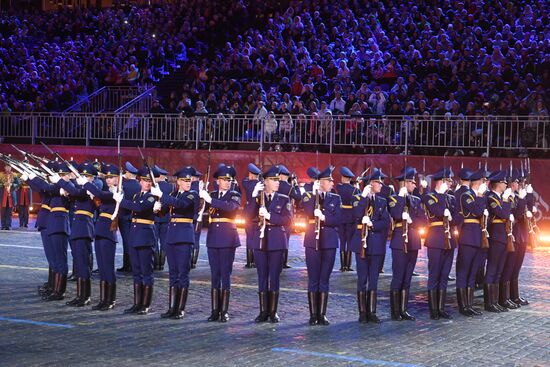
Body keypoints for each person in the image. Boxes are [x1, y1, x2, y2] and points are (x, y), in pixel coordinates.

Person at [245, 165, 292, 323]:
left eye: (278, 179)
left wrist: (270, 216)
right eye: (273, 179)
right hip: (260, 239)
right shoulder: (258, 198)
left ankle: (273, 311)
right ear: (265, 181)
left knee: (274, 277)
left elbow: (288, 220)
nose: (277, 182)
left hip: (277, 240)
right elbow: (247, 216)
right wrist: (252, 197)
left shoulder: (284, 199)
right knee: (262, 276)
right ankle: (263, 311)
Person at [152, 166, 199, 319]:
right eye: (185, 180)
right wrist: (158, 208)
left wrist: (162, 195)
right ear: (178, 181)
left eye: (189, 180)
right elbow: (164, 211)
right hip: (172, 235)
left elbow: (182, 205)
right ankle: (172, 307)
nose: (188, 183)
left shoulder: (192, 194)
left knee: (182, 273)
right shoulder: (173, 193)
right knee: (173, 273)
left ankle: (180, 309)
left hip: (184, 236)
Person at [113, 167, 159, 315]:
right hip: (134, 236)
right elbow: (129, 211)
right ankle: (137, 303)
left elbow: (139, 208)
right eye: (144, 180)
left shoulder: (152, 197)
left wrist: (122, 201)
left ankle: (145, 305)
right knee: (136, 272)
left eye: (149, 181)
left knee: (146, 272)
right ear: (139, 181)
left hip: (145, 237)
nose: (147, 183)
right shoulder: (136, 196)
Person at [199, 164, 241, 322]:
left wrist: (210, 200)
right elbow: (199, 209)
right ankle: (215, 310)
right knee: (215, 274)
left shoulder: (234, 194)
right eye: (223, 180)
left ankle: (224, 311)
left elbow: (230, 208)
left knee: (225, 274)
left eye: (229, 180)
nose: (227, 182)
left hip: (227, 238)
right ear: (217, 181)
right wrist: (201, 193)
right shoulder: (212, 193)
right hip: (213, 238)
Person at [301, 166, 342, 325]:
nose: (332, 183)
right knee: (313, 278)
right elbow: (308, 210)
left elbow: (337, 219)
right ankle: (313, 315)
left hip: (329, 240)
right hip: (312, 240)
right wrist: (314, 194)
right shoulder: (308, 196)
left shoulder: (335, 198)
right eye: (328, 180)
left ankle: (322, 314)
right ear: (320, 182)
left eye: (331, 180)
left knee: (325, 278)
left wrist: (324, 217)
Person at [350, 168, 390, 323]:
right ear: (371, 183)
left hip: (377, 243)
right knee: (362, 279)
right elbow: (356, 214)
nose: (381, 185)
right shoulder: (357, 198)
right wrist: (363, 196)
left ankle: (372, 311)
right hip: (361, 243)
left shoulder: (381, 201)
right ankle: (362, 312)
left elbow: (386, 222)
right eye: (378, 182)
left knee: (373, 278)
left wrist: (373, 224)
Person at [388, 166, 426, 321]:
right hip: (399, 240)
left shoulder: (416, 200)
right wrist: (400, 199)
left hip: (413, 240)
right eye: (411, 182)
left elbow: (423, 220)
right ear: (404, 183)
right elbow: (396, 214)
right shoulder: (392, 199)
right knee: (398, 276)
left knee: (408, 277)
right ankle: (395, 311)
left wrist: (412, 220)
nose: (414, 185)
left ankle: (403, 309)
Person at [57, 163, 98, 307]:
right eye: (83, 176)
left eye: (87, 176)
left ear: (92, 178)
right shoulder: (82, 188)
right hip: (76, 227)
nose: (84, 178)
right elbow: (70, 204)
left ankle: (85, 296)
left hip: (84, 227)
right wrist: (65, 195)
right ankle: (80, 295)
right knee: (79, 264)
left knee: (83, 263)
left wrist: (61, 181)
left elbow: (77, 194)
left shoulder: (91, 189)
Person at [81, 164, 121, 311]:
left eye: (112, 177)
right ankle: (104, 299)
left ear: (118, 178)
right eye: (108, 177)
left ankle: (111, 300)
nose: (109, 180)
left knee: (108, 267)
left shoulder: (118, 192)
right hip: (100, 230)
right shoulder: (107, 191)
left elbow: (103, 196)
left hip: (108, 232)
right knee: (102, 267)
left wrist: (86, 184)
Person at [421, 167, 457, 320]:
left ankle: (441, 307)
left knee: (444, 275)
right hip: (435, 238)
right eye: (448, 181)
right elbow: (436, 210)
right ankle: (433, 309)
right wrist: (441, 196)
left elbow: (457, 218)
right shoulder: (430, 196)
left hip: (449, 239)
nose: (450, 184)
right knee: (434, 274)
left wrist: (451, 217)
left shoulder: (452, 198)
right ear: (440, 181)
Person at [455, 168, 487, 317]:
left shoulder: (479, 196)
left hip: (477, 237)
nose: (485, 184)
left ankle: (469, 304)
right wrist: (480, 195)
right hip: (468, 236)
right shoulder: (466, 196)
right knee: (464, 272)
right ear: (477, 182)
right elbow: (477, 211)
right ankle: (463, 306)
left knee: (473, 273)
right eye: (483, 181)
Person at [484, 170, 513, 313]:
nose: (506, 184)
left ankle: (495, 301)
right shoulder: (491, 198)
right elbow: (503, 214)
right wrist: (506, 200)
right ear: (497, 184)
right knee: (492, 268)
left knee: (499, 269)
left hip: (502, 236)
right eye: (503, 182)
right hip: (495, 236)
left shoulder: (499, 198)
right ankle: (489, 303)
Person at [117, 162, 141, 273]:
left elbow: (121, 200)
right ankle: (133, 264)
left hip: (124, 216)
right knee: (134, 240)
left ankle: (128, 265)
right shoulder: (139, 185)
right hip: (136, 216)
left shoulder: (124, 185)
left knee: (127, 242)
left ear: (128, 173)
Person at [277, 165, 301, 268]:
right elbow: (298, 196)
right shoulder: (289, 187)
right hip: (286, 216)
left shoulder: (275, 185)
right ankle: (284, 262)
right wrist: (296, 185)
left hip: (275, 215)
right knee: (285, 239)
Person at [335, 167, 359, 272]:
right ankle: (348, 265)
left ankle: (342, 266)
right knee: (349, 241)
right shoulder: (355, 190)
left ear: (344, 178)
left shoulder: (338, 187)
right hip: (351, 217)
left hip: (340, 216)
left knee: (342, 241)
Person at [153, 165, 174, 271]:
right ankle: (161, 263)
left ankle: (156, 263)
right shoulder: (171, 187)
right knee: (164, 240)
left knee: (155, 240)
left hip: (155, 216)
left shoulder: (154, 185)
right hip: (165, 217)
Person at [242, 163, 262, 269]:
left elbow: (244, 180)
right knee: (257, 238)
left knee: (249, 238)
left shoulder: (247, 183)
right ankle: (257, 260)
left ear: (250, 174)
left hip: (248, 214)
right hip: (258, 214)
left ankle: (250, 262)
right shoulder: (261, 184)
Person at [0, 165, 20, 230]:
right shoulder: (1, 175)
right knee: (3, 212)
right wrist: (3, 184)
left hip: (11, 195)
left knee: (9, 212)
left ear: (11, 168)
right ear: (4, 167)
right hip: (3, 195)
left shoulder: (14, 175)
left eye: (9, 167)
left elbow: (18, 183)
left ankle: (8, 225)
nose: (8, 168)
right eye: (6, 167)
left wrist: (12, 184)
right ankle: (3, 225)